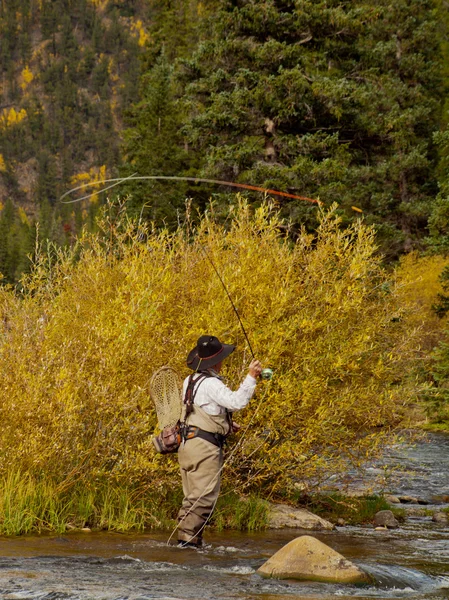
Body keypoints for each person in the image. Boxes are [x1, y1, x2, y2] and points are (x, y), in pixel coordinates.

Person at [177, 334, 262, 548]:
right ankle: (186, 544)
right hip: (204, 448)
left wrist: (225, 424)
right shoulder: (212, 383)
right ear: (216, 361)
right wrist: (251, 377)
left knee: (191, 497)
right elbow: (236, 402)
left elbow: (199, 411)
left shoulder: (190, 380)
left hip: (187, 445)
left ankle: (188, 543)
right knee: (203, 499)